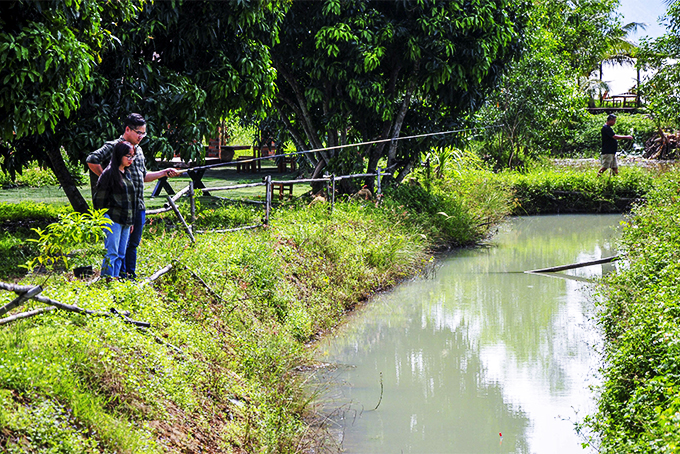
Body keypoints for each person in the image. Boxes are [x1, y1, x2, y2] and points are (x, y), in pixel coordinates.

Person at [87, 113, 180, 278]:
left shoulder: (139, 150)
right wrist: (109, 178)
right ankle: (114, 278)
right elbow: (92, 159)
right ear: (127, 129)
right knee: (115, 249)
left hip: (137, 205)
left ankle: (129, 276)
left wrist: (164, 173)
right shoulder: (115, 146)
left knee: (132, 245)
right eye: (138, 132)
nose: (141, 136)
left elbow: (143, 176)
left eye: (143, 133)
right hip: (117, 208)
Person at [93, 141, 136, 278]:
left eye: (132, 156)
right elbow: (99, 199)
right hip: (112, 219)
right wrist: (102, 219)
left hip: (126, 220)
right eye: (128, 156)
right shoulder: (109, 174)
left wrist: (131, 222)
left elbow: (130, 199)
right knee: (112, 252)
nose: (131, 159)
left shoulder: (127, 173)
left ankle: (115, 279)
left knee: (121, 253)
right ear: (119, 155)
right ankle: (106, 281)